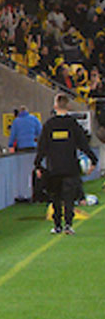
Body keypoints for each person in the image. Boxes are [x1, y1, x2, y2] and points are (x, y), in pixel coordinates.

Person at [33, 94, 95, 235]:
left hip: (54, 168)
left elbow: (42, 147)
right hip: (70, 167)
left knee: (55, 198)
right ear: (68, 106)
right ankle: (68, 224)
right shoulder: (72, 124)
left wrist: (37, 165)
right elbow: (83, 144)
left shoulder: (49, 125)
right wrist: (93, 160)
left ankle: (57, 226)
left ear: (55, 106)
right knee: (68, 199)